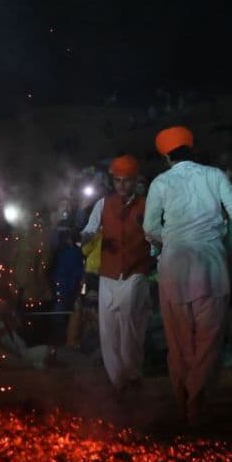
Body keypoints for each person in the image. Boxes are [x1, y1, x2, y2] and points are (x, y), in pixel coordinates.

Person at [144, 126, 232, 424]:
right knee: (209, 340)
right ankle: (196, 395)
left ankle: (183, 395)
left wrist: (169, 240)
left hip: (173, 268)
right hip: (210, 267)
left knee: (179, 341)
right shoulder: (215, 175)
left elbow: (148, 228)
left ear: (167, 157)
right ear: (191, 150)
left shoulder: (160, 182)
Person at [80, 154, 153, 391]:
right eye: (117, 180)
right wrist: (84, 236)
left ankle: (132, 374)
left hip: (136, 272)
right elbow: (90, 230)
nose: (121, 185)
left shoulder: (148, 204)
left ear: (135, 181)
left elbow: (156, 236)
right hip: (108, 274)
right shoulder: (103, 204)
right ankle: (118, 382)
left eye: (126, 181)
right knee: (109, 330)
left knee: (131, 327)